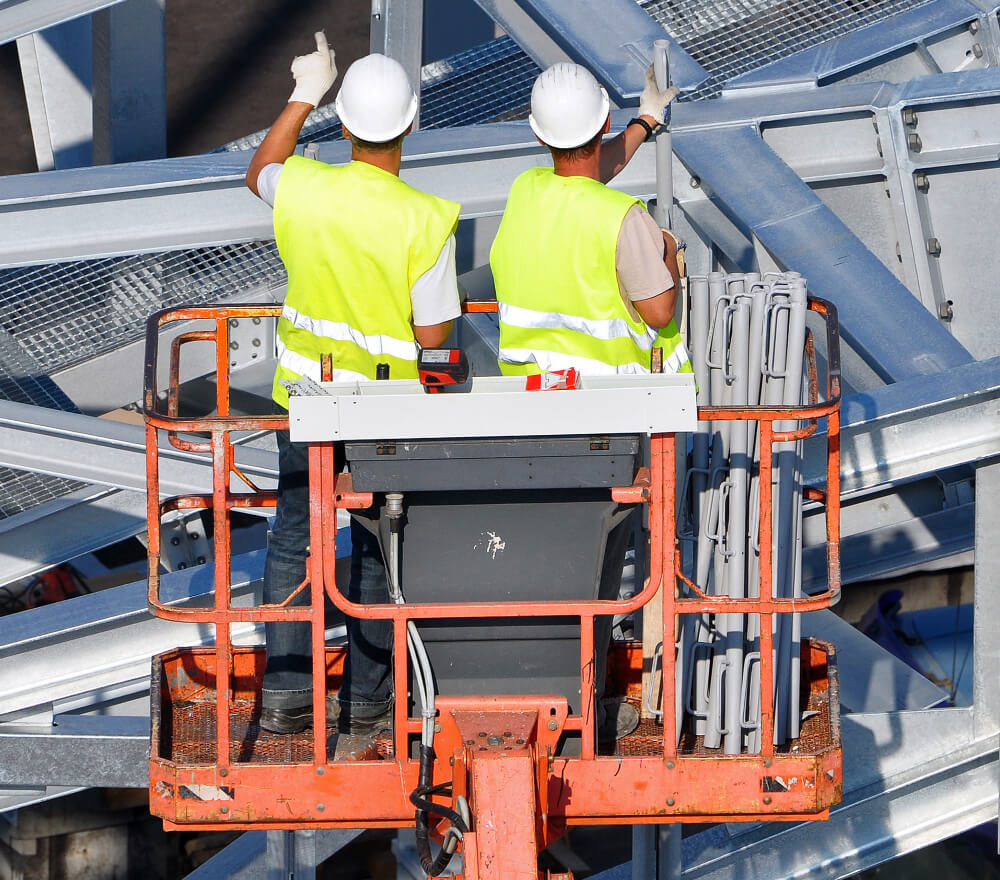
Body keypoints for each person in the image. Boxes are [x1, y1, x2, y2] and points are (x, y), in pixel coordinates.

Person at [246, 33, 461, 757]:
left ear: (345, 123)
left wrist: (304, 91)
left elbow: (261, 168)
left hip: (302, 395)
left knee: (291, 537)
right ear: (409, 122)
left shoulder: (304, 186)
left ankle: (283, 697)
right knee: (377, 545)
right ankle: (366, 706)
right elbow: (434, 335)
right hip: (381, 410)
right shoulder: (424, 219)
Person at [489, 62, 692, 744]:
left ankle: (534, 685)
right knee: (599, 575)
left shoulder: (524, 193)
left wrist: (642, 126)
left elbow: (583, 182)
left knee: (541, 560)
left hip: (525, 414)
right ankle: (585, 712)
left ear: (538, 137)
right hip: (601, 426)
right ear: (599, 124)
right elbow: (659, 306)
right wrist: (671, 261)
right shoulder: (625, 221)